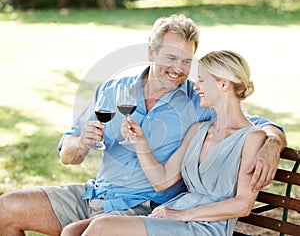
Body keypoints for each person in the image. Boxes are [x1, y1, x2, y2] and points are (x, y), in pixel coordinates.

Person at [0, 14, 286, 236]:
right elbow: (68, 154)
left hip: (143, 207)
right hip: (96, 193)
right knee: (7, 208)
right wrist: (81, 143)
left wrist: (272, 142)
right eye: (171, 58)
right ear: (151, 52)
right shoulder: (113, 89)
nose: (178, 69)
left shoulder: (199, 101)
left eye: (187, 61)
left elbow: (251, 124)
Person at [62, 50, 268, 236]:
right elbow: (161, 180)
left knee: (101, 228)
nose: (195, 87)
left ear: (223, 84)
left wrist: (181, 214)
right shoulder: (198, 130)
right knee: (73, 230)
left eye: (202, 81)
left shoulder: (252, 138)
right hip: (173, 214)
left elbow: (243, 204)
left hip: (203, 225)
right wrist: (140, 141)